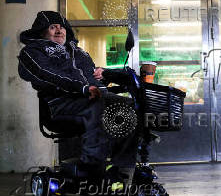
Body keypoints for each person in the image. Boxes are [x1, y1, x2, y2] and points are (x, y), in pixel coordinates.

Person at [17, 11, 137, 184]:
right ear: (42, 31)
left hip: (91, 97)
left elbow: (92, 76)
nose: (59, 31)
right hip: (59, 104)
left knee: (130, 106)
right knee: (99, 106)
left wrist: (104, 76)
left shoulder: (79, 53)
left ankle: (122, 168)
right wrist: (83, 88)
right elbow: (47, 74)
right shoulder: (32, 52)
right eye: (52, 27)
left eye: (62, 27)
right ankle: (91, 168)